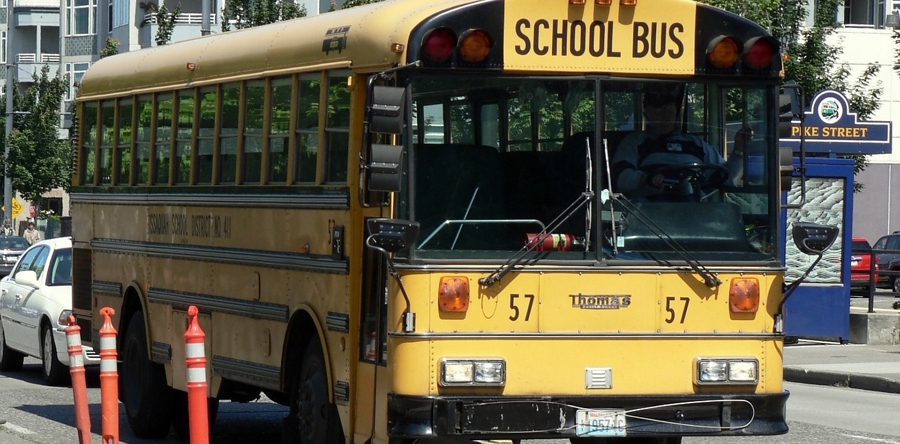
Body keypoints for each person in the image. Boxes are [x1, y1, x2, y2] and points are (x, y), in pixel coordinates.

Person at [611, 89, 752, 200]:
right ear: (646, 114)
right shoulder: (634, 142)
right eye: (658, 107)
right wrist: (645, 178)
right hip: (649, 212)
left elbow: (729, 179)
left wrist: (739, 149)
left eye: (669, 107)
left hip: (694, 209)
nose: (666, 113)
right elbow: (620, 178)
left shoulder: (697, 145)